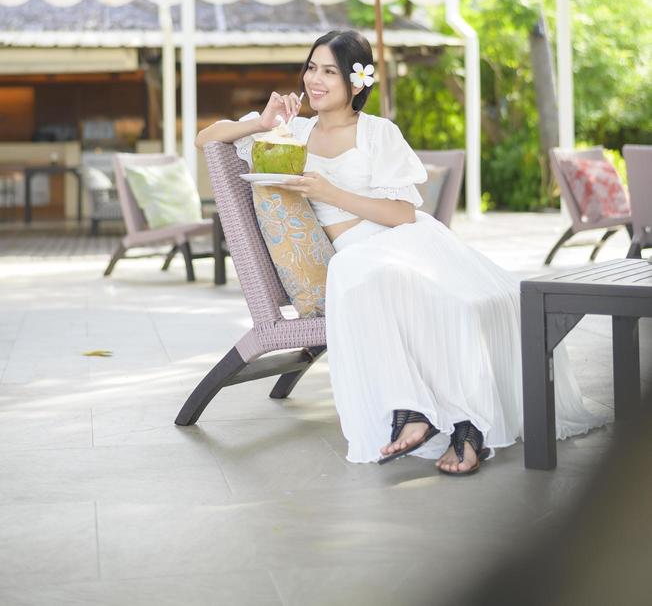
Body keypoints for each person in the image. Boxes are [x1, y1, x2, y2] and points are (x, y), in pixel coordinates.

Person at [196, 30, 605, 475]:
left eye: (329, 71)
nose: (315, 79)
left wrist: (330, 191)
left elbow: (402, 213)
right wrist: (261, 121)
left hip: (404, 240)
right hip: (356, 252)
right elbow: (208, 138)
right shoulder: (290, 130)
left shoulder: (378, 133)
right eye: (311, 67)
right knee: (359, 271)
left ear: (357, 82)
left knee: (461, 301)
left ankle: (467, 426)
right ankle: (415, 413)